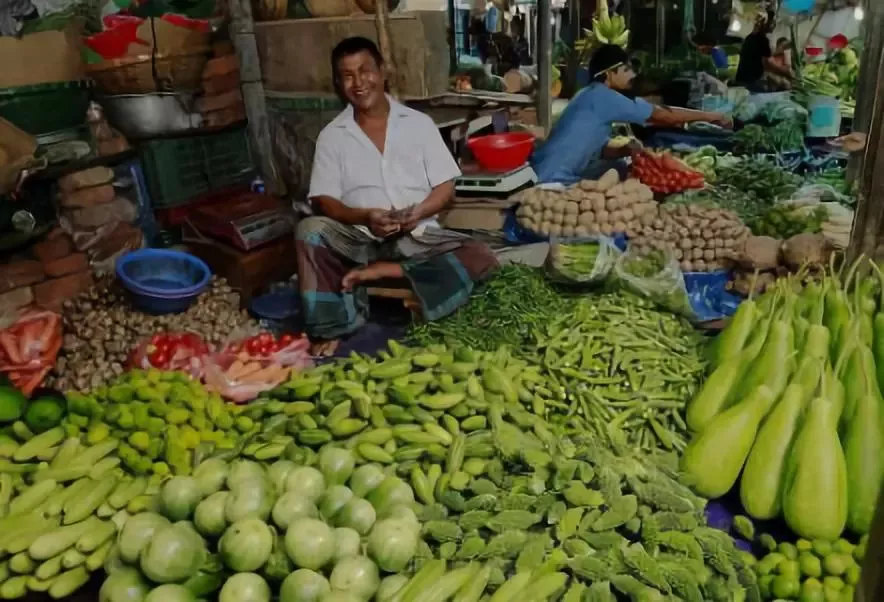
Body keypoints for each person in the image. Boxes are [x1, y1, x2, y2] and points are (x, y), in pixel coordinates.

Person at [297, 37, 499, 355]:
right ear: (338, 83)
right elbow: (324, 201)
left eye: (365, 71)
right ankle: (333, 325)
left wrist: (417, 213)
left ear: (383, 71)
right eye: (348, 75)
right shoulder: (332, 137)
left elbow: (446, 188)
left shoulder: (419, 125)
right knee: (309, 232)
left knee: (482, 256)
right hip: (360, 239)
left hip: (417, 235)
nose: (359, 82)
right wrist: (365, 217)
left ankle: (387, 272)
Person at [530, 44, 732, 185]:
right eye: (625, 70)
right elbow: (663, 116)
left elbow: (594, 149)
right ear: (609, 74)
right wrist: (711, 116)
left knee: (618, 165)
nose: (633, 76)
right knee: (619, 173)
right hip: (553, 176)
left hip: (545, 167)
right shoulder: (604, 96)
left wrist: (625, 150)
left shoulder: (588, 93)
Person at [735, 11, 792, 91]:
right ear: (763, 24)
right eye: (771, 23)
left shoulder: (750, 37)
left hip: (743, 78)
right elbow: (767, 63)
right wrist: (788, 74)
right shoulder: (762, 40)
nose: (772, 26)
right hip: (752, 80)